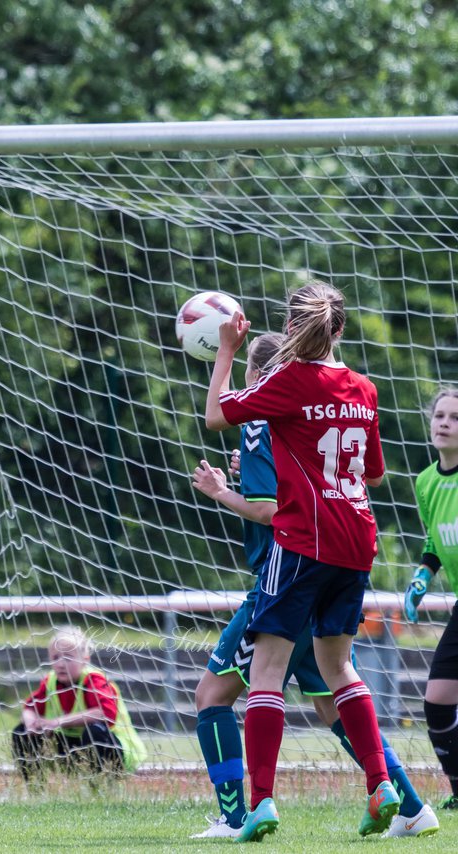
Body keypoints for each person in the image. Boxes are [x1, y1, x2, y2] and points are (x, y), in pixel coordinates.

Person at [191, 332, 436, 839]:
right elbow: (366, 472)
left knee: (214, 695)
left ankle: (242, 813)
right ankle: (408, 805)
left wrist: (221, 492)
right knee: (332, 695)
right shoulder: (351, 390)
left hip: (286, 573)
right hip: (349, 552)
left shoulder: (271, 405)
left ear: (259, 377)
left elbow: (268, 505)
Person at [404, 387, 458, 813]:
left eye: (455, 418)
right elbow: (434, 539)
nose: (444, 423)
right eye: (440, 415)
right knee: (437, 700)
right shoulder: (425, 481)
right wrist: (423, 575)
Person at [11, 626, 144, 779]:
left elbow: (105, 714)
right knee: (21, 732)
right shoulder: (51, 681)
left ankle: (102, 786)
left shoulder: (95, 680)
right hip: (74, 749)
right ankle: (35, 788)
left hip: (114, 751)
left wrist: (56, 722)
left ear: (85, 659)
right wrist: (31, 725)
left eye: (68, 657)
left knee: (94, 732)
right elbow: (29, 708)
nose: (61, 664)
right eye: (55, 658)